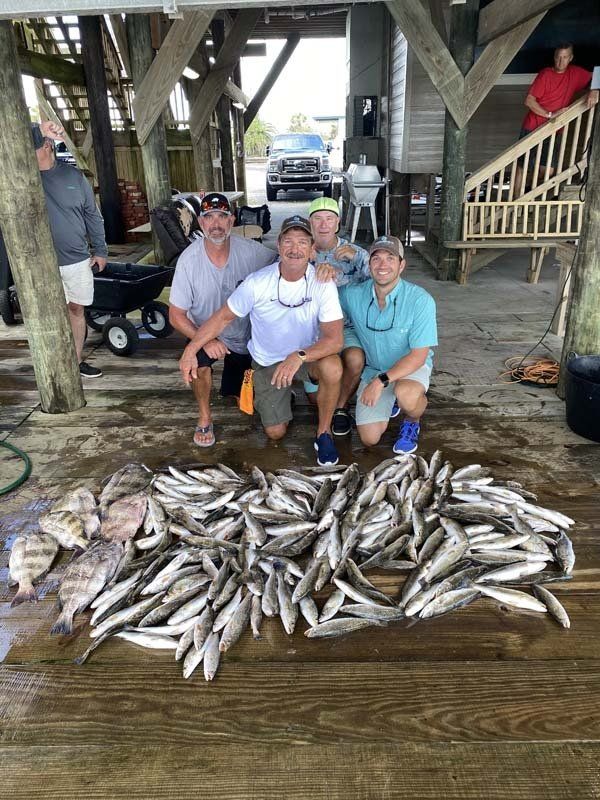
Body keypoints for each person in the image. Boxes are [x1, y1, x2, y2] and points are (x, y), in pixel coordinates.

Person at [179, 215, 344, 466]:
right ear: (278, 247)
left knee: (333, 365)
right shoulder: (257, 282)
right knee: (275, 432)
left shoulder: (322, 283)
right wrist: (191, 348)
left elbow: (334, 340)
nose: (294, 249)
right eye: (288, 241)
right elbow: (222, 317)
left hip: (305, 358)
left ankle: (324, 433)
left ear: (312, 250)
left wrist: (298, 356)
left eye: (302, 242)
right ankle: (282, 396)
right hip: (268, 362)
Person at [169, 192, 278, 446]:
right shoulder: (188, 261)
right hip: (207, 335)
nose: (216, 224)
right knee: (196, 359)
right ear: (200, 222)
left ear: (231, 221)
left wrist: (317, 254)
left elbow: (285, 262)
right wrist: (201, 339)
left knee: (247, 404)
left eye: (222, 217)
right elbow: (175, 315)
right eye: (209, 217)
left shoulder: (253, 252)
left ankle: (247, 385)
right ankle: (205, 418)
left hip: (246, 340)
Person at [336, 235, 437, 455]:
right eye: (376, 258)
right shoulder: (352, 294)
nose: (383, 265)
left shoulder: (421, 300)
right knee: (369, 438)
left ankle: (412, 420)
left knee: (407, 395)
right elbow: (322, 298)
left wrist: (381, 381)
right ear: (369, 264)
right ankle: (390, 399)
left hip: (410, 368)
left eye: (390, 258)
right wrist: (322, 272)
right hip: (375, 369)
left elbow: (419, 356)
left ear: (401, 265)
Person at [31, 122, 108, 378]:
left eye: (36, 145)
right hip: (40, 263)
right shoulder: (21, 177)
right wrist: (39, 127)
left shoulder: (73, 176)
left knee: (76, 309)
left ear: (48, 146)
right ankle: (52, 365)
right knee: (48, 313)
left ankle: (75, 362)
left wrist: (100, 250)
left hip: (76, 259)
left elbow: (92, 215)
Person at [304, 196, 370, 418]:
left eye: (329, 219)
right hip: (312, 327)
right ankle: (317, 383)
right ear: (310, 222)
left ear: (338, 222)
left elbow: (384, 281)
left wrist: (359, 260)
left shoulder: (354, 252)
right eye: (318, 219)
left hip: (346, 325)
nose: (324, 225)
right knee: (316, 400)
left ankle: (341, 406)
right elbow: (277, 277)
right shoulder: (299, 249)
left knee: (355, 359)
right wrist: (306, 262)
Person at [514, 44, 598, 191]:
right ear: (554, 57)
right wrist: (550, 115)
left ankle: (526, 191)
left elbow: (597, 74)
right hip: (533, 126)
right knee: (522, 165)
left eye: (565, 57)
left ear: (570, 58)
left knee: (547, 171)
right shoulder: (545, 74)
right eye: (558, 57)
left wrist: (594, 90)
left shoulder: (576, 74)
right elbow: (529, 100)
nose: (561, 61)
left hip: (554, 130)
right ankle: (515, 202)